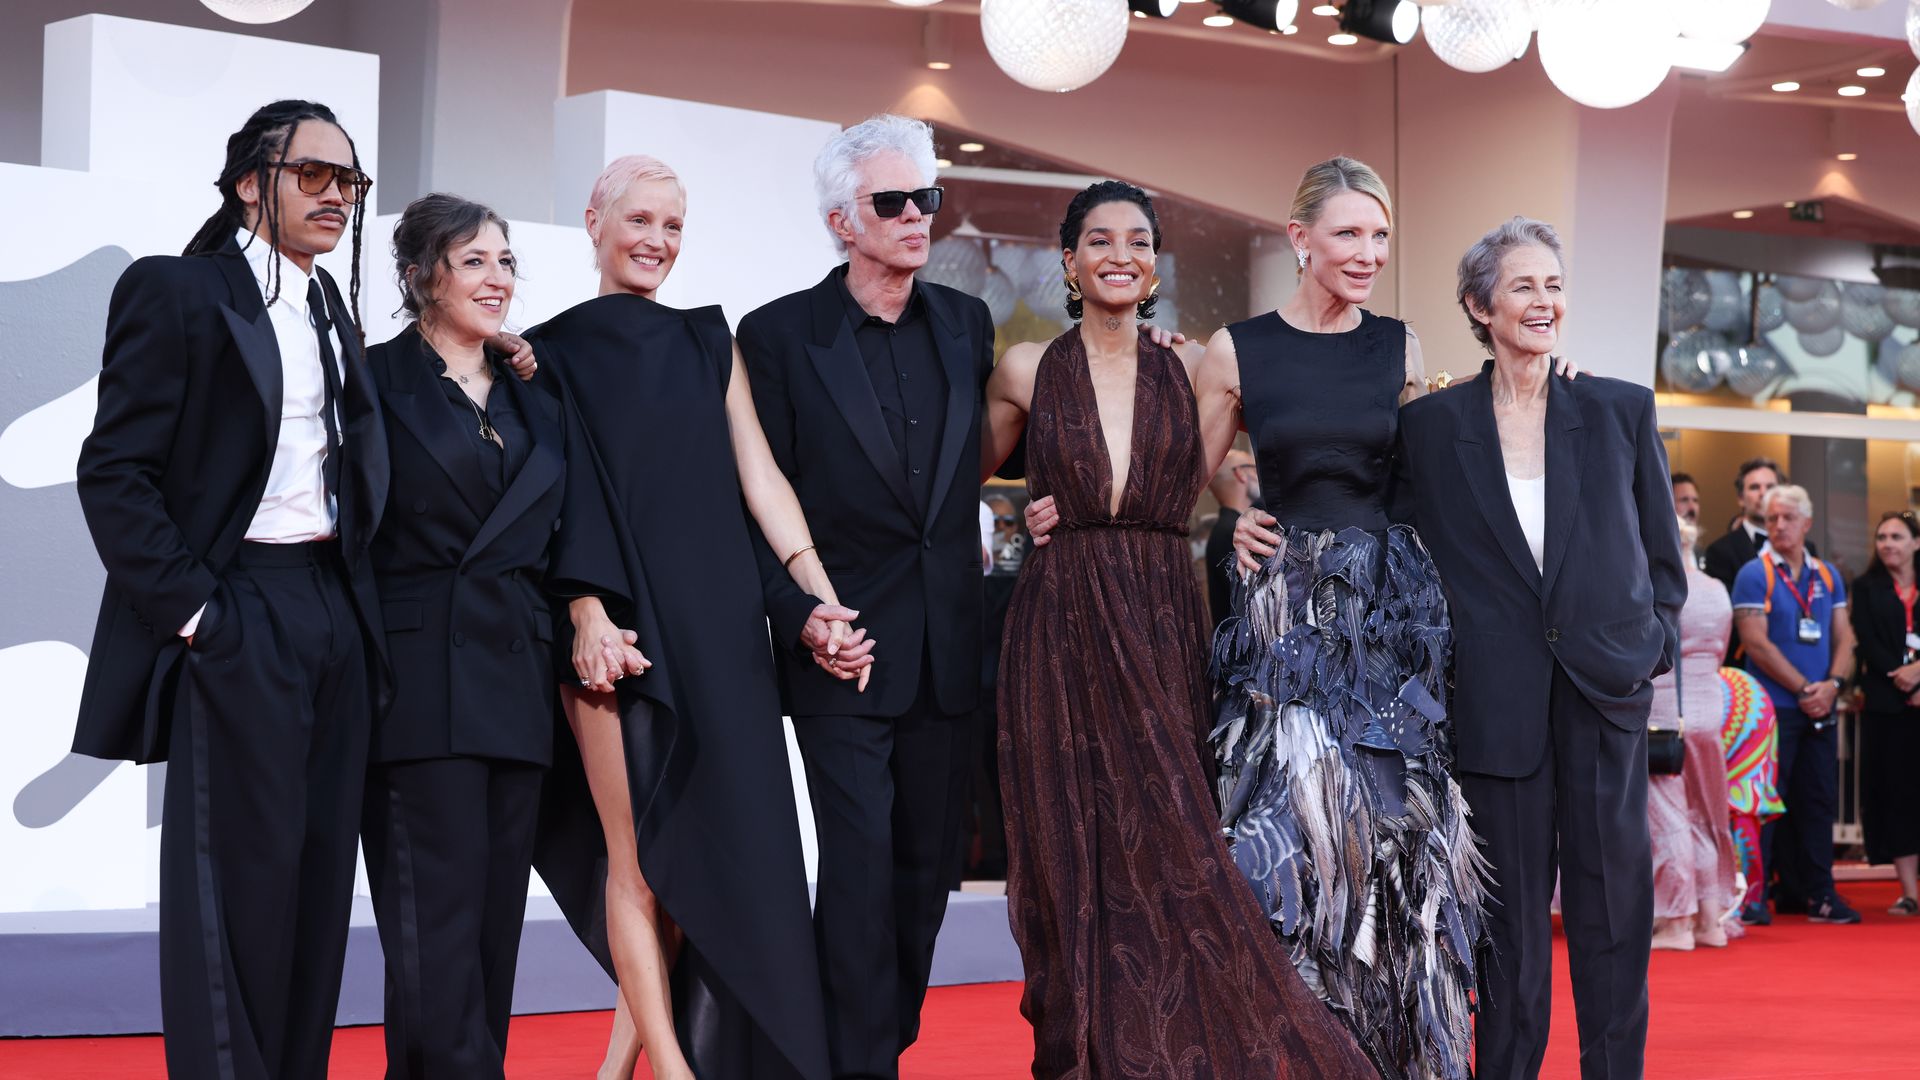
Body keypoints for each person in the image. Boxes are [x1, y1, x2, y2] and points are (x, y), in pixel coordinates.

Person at [981, 181, 1373, 1077]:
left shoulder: (1189, 364)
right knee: (1069, 839)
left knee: (1170, 831)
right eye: (1100, 240)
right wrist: (1025, 506)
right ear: (1071, 260)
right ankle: (1089, 1047)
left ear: (1154, 261)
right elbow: (950, 478)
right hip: (1060, 620)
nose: (1121, 253)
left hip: (1161, 618)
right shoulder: (1025, 369)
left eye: (1139, 240)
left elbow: (1308, 430)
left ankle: (1182, 1041)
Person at [69, 100, 390, 1080]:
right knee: (233, 893)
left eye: (352, 183)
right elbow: (114, 470)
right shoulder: (179, 290)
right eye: (315, 176)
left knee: (316, 884)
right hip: (241, 607)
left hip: (334, 609)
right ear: (251, 182)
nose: (338, 196)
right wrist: (200, 613)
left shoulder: (332, 306)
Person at [529, 154, 853, 1080]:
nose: (657, 242)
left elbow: (761, 477)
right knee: (637, 863)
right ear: (593, 220)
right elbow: (556, 506)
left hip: (721, 630)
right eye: (640, 220)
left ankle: (619, 1067)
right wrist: (584, 612)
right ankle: (667, 1067)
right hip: (617, 629)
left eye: (673, 226)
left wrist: (817, 590)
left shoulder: (710, 339)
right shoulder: (545, 353)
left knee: (702, 859)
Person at [1198, 157, 1512, 1078]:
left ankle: (1395, 1051)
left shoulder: (1401, 346)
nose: (1368, 252)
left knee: (1392, 836)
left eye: (1379, 235)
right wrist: (1236, 506)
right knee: (1286, 836)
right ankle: (1296, 1049)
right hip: (1287, 618)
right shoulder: (1236, 348)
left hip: (1386, 617)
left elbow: (1433, 473)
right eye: (1348, 234)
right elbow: (1183, 473)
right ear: (1300, 239)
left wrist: (1534, 385)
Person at [1386, 217, 1685, 1078]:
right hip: (1491, 701)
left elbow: (1662, 555)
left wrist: (1646, 650)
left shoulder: (1618, 408)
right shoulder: (1433, 427)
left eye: (1553, 285)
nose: (1544, 301)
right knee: (1507, 923)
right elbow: (1401, 556)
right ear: (1480, 305)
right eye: (1523, 286)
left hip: (1602, 693)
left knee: (1611, 911)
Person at [735, 115, 992, 1079]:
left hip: (948, 649)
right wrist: (800, 616)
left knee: (925, 878)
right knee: (856, 870)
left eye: (927, 198)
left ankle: (869, 1045)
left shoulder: (966, 325)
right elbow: (753, 501)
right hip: (840, 647)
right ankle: (854, 1065)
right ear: (843, 220)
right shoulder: (777, 337)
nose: (918, 217)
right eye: (894, 202)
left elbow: (993, 456)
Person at [358, 194, 597, 1076]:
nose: (498, 280)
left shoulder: (535, 393)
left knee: (491, 939)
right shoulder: (373, 378)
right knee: (433, 939)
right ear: (422, 275)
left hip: (515, 685)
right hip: (416, 687)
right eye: (474, 262)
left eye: (506, 262)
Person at [1731, 484, 1861, 926]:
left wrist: (1833, 685)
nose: (1779, 526)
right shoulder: (1755, 572)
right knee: (1765, 803)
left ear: (1807, 523)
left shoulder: (1826, 575)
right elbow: (1756, 644)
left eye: (1788, 517)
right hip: (1771, 710)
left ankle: (1819, 894)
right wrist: (1809, 688)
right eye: (1771, 519)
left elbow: (1846, 637)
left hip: (1820, 705)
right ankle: (1753, 897)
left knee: (1819, 800)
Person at [1646, 515, 1741, 951]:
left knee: (1668, 819)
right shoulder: (1717, 589)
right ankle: (1711, 920)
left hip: (1664, 713)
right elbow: (1721, 649)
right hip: (1709, 711)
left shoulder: (1654, 589)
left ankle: (1676, 921)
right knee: (1706, 817)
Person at [1848, 510, 1920, 916]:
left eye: (1897, 536)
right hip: (1887, 708)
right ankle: (1908, 892)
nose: (1888, 543)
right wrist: (1903, 678)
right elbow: (1868, 644)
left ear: (1916, 542)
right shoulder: (1866, 586)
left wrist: (1919, 674)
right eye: (1881, 537)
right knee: (1897, 798)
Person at [1718, 665, 1784, 922]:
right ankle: (1751, 899)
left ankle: (1731, 900)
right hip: (1747, 695)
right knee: (1744, 802)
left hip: (1708, 695)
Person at [1204, 448, 1258, 630]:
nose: (1261, 476)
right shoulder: (1231, 534)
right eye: (1255, 468)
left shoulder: (1226, 530)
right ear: (1241, 474)